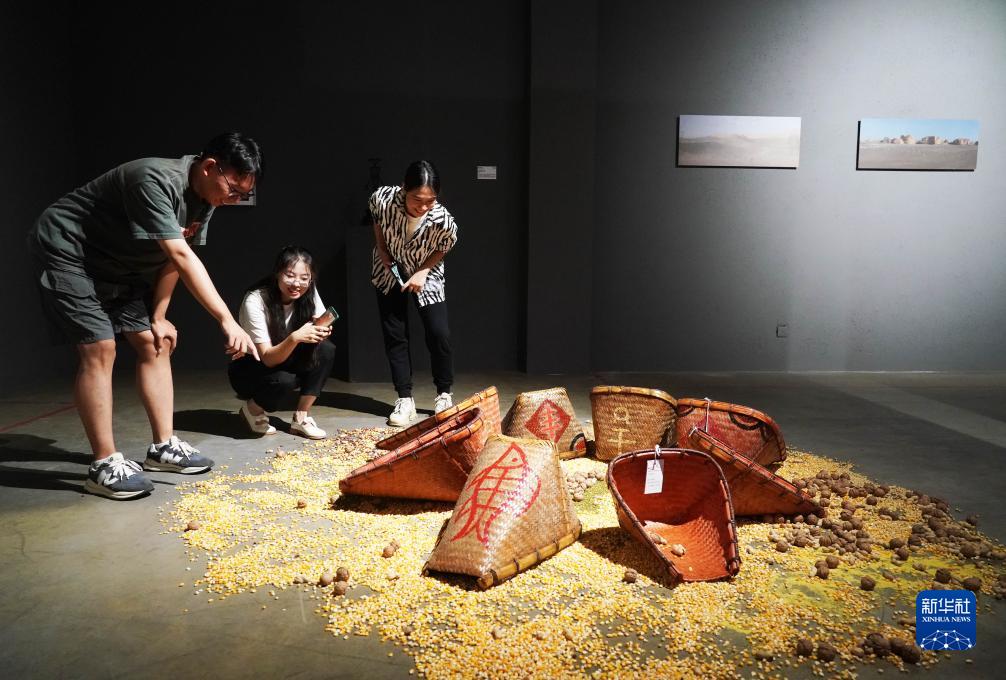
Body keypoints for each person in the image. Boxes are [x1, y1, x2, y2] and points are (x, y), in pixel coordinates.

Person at [28, 132, 263, 500]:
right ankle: (104, 464)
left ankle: (163, 448)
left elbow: (172, 259)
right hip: (69, 252)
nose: (233, 199)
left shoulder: (206, 198)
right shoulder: (152, 179)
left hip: (118, 265)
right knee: (100, 347)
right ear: (209, 167)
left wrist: (159, 315)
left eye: (241, 195)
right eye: (233, 190)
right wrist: (226, 320)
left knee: (156, 342)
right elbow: (182, 256)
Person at [370, 160, 458, 426]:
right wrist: (382, 248)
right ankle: (404, 399)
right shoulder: (383, 199)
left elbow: (446, 245)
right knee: (395, 334)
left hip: (426, 270)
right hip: (389, 269)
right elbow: (376, 216)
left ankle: (444, 393)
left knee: (439, 333)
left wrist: (423, 271)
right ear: (403, 189)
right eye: (417, 199)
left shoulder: (442, 219)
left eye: (430, 200)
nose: (422, 207)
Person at [228, 246, 334, 439]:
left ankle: (302, 417)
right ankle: (252, 409)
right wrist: (295, 337)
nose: (297, 284)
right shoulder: (256, 300)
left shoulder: (308, 291)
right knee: (284, 380)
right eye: (290, 276)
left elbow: (317, 323)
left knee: (326, 349)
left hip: (286, 357)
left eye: (304, 278)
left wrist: (321, 331)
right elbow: (268, 359)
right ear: (277, 273)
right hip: (253, 367)